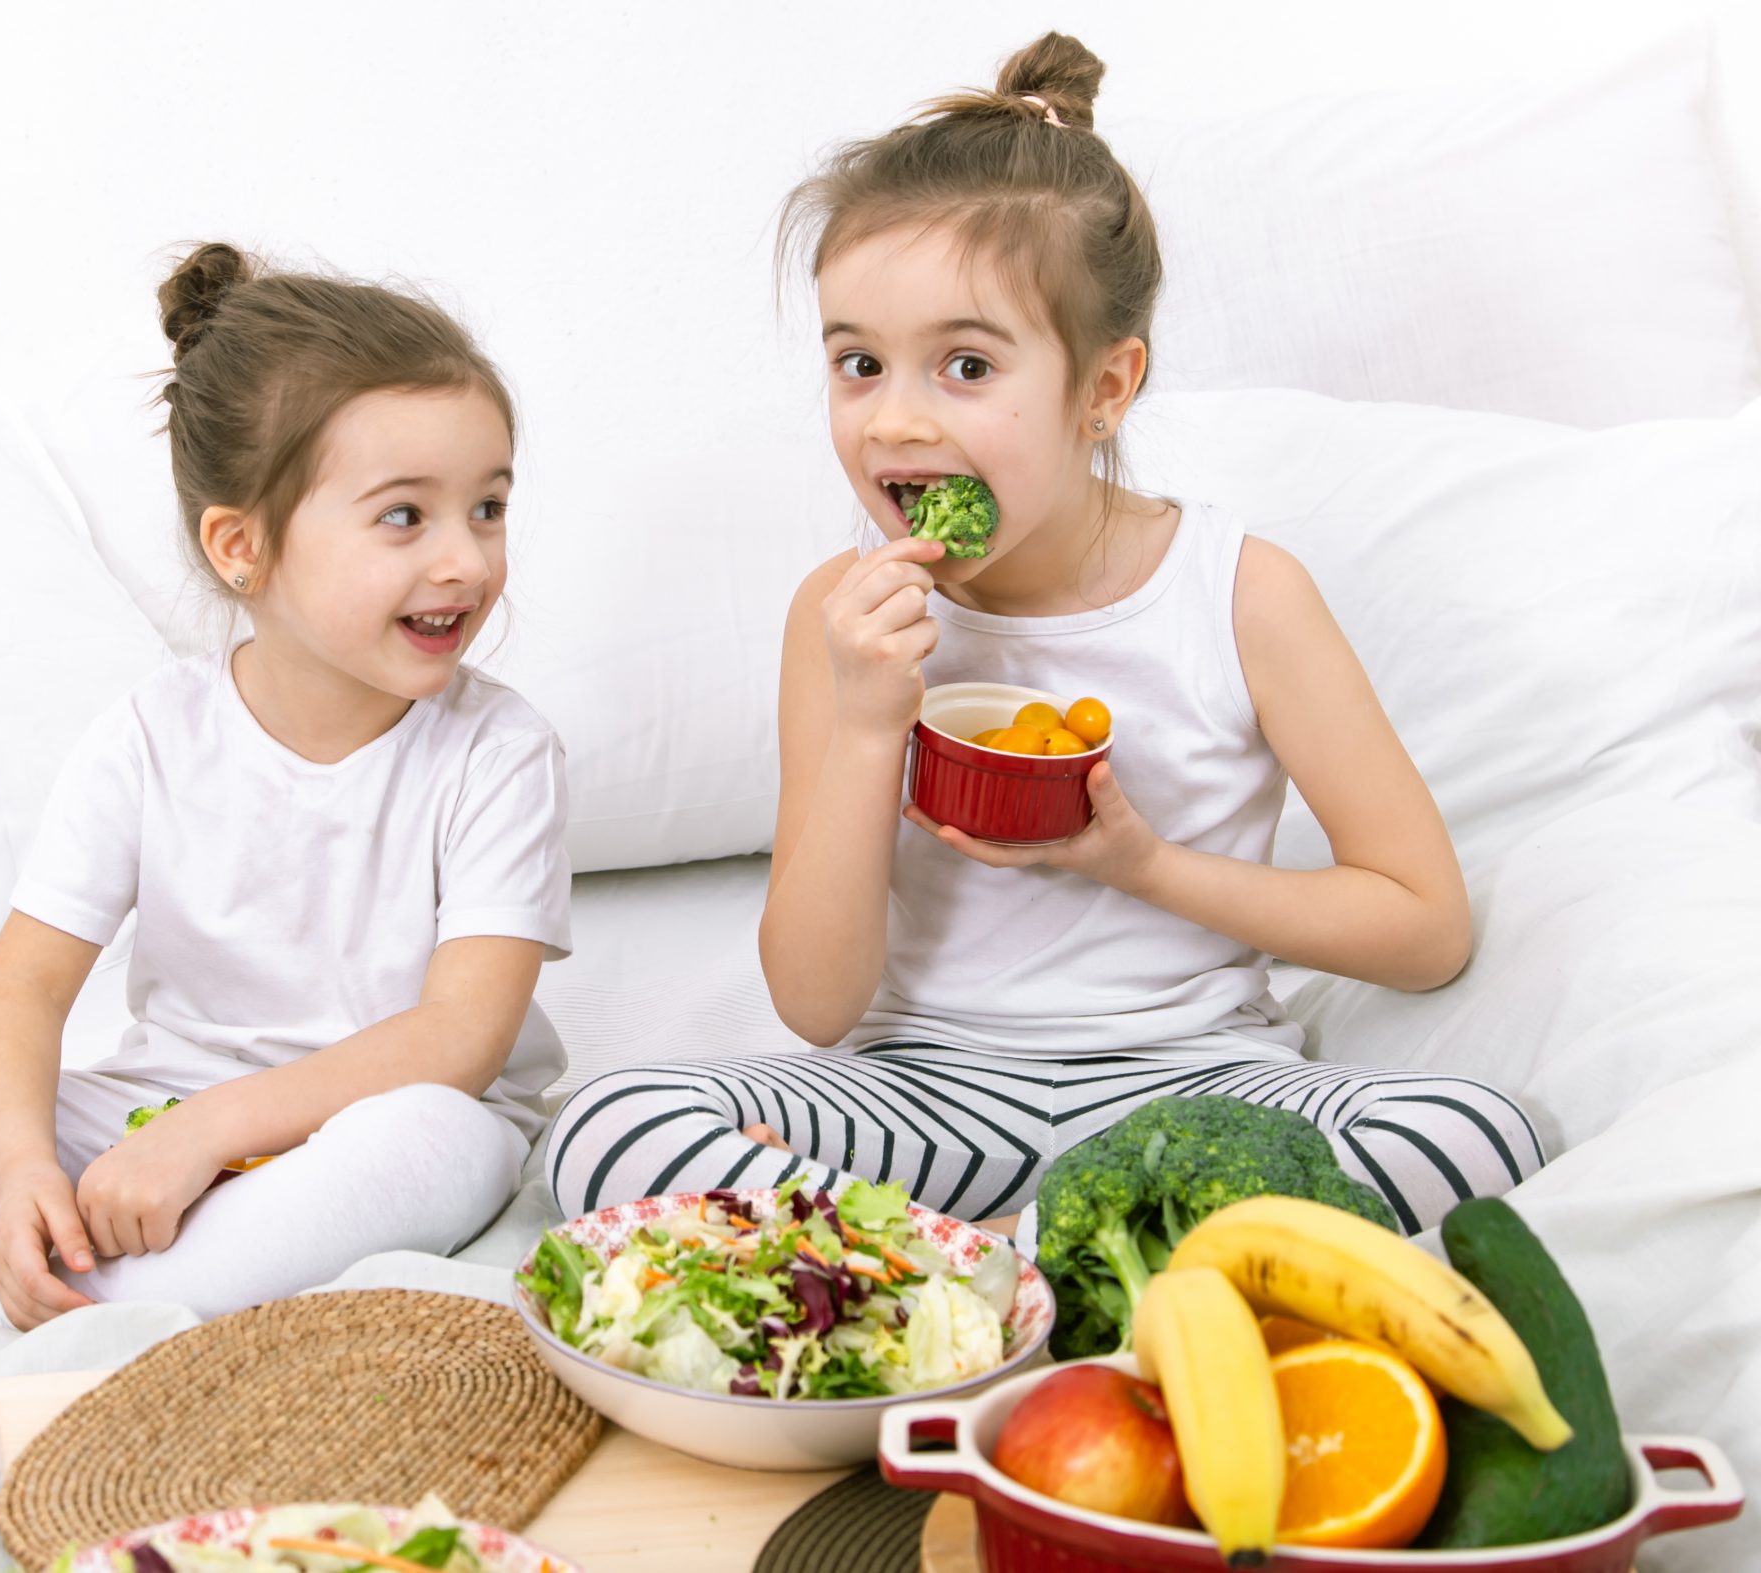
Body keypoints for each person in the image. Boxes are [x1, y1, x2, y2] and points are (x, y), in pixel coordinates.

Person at [547, 34, 1537, 1236]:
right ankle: (1073, 1262)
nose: (895, 418)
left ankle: (941, 1273)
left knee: (1483, 1136)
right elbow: (814, 1004)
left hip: (1195, 1082)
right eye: (858, 363)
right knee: (610, 1125)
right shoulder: (838, 615)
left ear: (1102, 390)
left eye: (965, 364)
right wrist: (869, 724)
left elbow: (1423, 929)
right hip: (920, 1093)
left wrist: (1143, 866)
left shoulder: (1240, 594)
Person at [0, 243, 568, 1333]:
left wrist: (208, 1136)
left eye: (487, 507)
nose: (467, 561)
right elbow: (19, 993)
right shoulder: (151, 737)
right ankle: (53, 1262)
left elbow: (459, 1037)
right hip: (150, 1125)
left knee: (434, 1140)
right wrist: (24, 1174)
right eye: (406, 516)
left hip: (366, 1128)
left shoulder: (499, 754)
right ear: (240, 545)